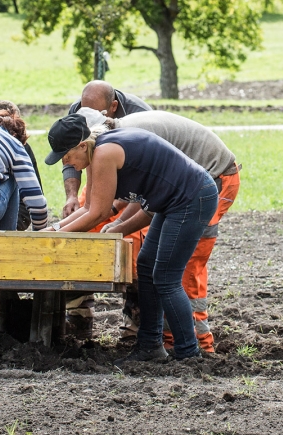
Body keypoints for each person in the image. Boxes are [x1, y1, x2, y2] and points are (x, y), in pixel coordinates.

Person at [44, 113, 218, 361]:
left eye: (67, 155)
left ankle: (188, 353)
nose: (66, 162)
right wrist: (53, 230)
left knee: (166, 278)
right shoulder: (94, 153)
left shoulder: (104, 153)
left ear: (81, 145)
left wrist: (57, 239)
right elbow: (88, 207)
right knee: (146, 265)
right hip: (171, 200)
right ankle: (149, 345)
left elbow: (98, 213)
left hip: (192, 197)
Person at [101, 110, 241, 352]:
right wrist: (118, 224)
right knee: (148, 262)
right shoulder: (122, 139)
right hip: (179, 192)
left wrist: (119, 227)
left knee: (178, 269)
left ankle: (192, 348)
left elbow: (155, 198)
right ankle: (152, 344)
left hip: (210, 180)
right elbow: (150, 196)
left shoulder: (128, 142)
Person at [63, 80, 152, 218]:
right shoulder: (76, 111)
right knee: (81, 216)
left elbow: (148, 178)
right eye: (85, 114)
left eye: (96, 116)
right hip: (102, 173)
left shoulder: (140, 114)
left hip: (136, 181)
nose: (89, 119)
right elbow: (70, 156)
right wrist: (71, 196)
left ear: (114, 106)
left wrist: (115, 211)